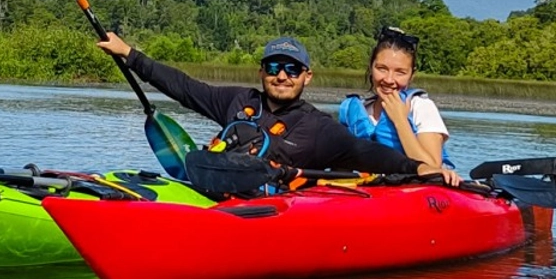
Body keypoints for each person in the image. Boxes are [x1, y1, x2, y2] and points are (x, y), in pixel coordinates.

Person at [96, 32, 459, 185]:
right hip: (219, 188)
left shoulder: (318, 127)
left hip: (270, 203)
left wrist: (425, 171)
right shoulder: (238, 101)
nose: (281, 76)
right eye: (273, 68)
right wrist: (130, 54)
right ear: (262, 72)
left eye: (292, 69)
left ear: (307, 77)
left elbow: (368, 153)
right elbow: (185, 88)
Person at [338, 27, 452, 169]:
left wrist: (400, 120)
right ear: (371, 67)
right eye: (382, 69)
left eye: (400, 72)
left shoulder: (421, 107)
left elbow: (432, 167)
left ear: (412, 75)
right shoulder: (355, 110)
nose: (389, 79)